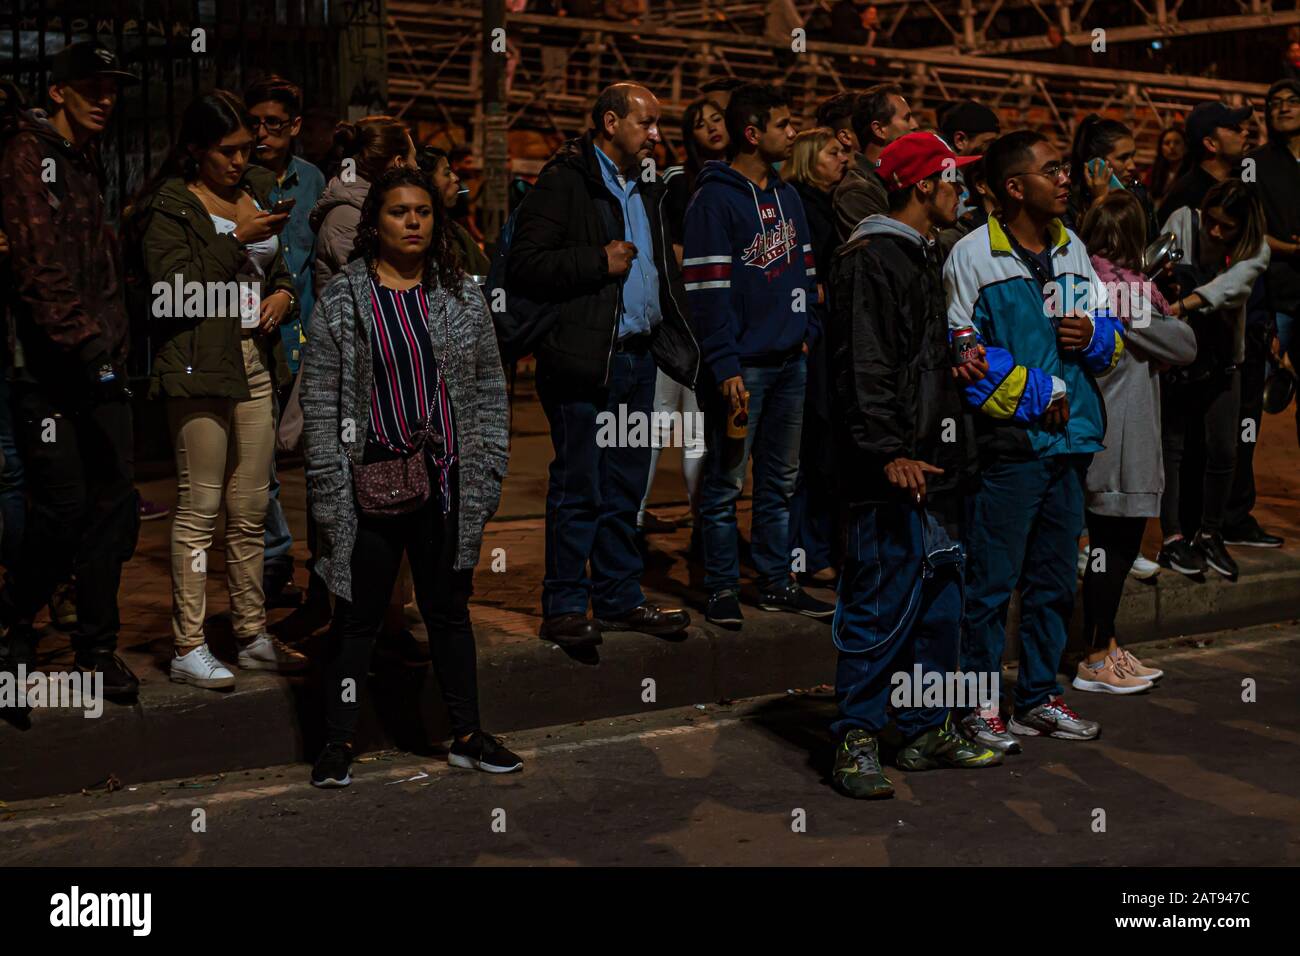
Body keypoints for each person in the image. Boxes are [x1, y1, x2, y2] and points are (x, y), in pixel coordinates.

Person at [300, 166, 520, 787]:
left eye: (423, 211)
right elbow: (320, 396)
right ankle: (337, 741)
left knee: (449, 610)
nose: (414, 221)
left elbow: (487, 387)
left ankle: (468, 734)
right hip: (368, 482)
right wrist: (325, 483)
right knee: (357, 617)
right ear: (376, 223)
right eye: (399, 212)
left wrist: (491, 465)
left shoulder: (459, 293)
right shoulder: (346, 298)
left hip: (446, 479)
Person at [826, 132, 1001, 799]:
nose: (965, 190)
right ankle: (857, 735)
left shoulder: (921, 253)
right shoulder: (871, 258)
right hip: (893, 468)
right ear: (924, 185)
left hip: (936, 462)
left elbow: (905, 358)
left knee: (940, 602)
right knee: (878, 602)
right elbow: (862, 362)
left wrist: (949, 367)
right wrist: (887, 450)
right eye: (955, 178)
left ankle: (927, 727)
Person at [946, 130, 1125, 750]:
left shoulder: (1073, 247)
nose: (1068, 178)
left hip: (1070, 446)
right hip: (1010, 448)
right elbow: (961, 354)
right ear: (1015, 187)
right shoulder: (972, 255)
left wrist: (1093, 336)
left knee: (1052, 582)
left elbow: (1109, 334)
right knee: (992, 585)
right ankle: (977, 706)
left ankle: (1039, 698)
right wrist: (1039, 392)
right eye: (1054, 170)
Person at [506, 83, 698, 648]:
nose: (656, 135)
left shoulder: (645, 185)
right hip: (586, 362)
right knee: (579, 485)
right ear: (611, 122)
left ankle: (618, 596)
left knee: (625, 486)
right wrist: (598, 261)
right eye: (647, 123)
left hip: (638, 361)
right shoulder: (566, 181)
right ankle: (564, 604)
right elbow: (526, 264)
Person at [131, 90, 308, 690]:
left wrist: (283, 295)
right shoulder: (173, 205)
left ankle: (253, 633)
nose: (239, 161)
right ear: (196, 151)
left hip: (256, 359)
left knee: (251, 507)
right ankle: (188, 642)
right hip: (199, 363)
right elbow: (170, 289)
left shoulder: (253, 189)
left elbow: (276, 266)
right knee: (199, 507)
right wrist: (234, 237)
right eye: (226, 152)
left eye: (243, 150)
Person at [0, 40, 142, 700]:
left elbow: (100, 266)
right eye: (93, 88)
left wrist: (111, 345)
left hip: (97, 360)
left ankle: (96, 646)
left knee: (113, 503)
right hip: (50, 369)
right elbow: (39, 268)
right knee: (63, 507)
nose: (106, 100)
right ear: (59, 91)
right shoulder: (28, 157)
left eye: (112, 88)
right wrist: (87, 351)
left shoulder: (86, 161)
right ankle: (15, 627)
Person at [683, 82, 835, 628]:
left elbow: (809, 274)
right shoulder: (713, 199)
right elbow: (706, 293)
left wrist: (805, 332)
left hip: (790, 362)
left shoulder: (787, 196)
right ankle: (721, 587)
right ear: (753, 133)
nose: (792, 132)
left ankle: (775, 581)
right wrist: (724, 365)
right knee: (726, 481)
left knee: (780, 481)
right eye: (784, 124)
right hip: (741, 370)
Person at [1075, 191, 1196, 694]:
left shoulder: (1087, 284)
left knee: (1110, 551)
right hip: (1119, 446)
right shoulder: (1124, 296)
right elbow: (1185, 345)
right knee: (1113, 553)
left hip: (1104, 438)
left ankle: (1108, 644)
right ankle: (1094, 656)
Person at [1155, 179, 1269, 580]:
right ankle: (1172, 539)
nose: (1216, 232)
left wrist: (1181, 305)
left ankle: (1209, 533)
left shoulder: (1256, 249)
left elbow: (1231, 288)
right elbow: (1152, 262)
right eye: (1213, 222)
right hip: (1177, 358)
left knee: (1223, 449)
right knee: (1173, 448)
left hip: (1223, 359)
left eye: (1227, 227)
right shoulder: (1183, 222)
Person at [245, 74, 327, 609]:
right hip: (261, 335)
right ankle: (275, 559)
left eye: (273, 124)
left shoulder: (315, 180)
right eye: (254, 123)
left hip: (312, 333)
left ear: (294, 127)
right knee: (260, 461)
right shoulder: (241, 180)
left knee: (321, 458)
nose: (261, 133)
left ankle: (325, 568)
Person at [637, 96, 725, 538]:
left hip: (714, 330)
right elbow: (670, 255)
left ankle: (705, 529)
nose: (711, 128)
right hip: (677, 327)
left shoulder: (743, 185)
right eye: (699, 123)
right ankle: (630, 527)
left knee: (701, 434)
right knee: (656, 426)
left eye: (717, 119)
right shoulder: (677, 181)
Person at [1233, 79, 1300, 546]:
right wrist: (1289, 248)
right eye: (1273, 105)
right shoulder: (1253, 165)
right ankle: (1236, 514)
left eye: (1291, 102)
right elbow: (1246, 228)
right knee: (1249, 412)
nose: (1282, 109)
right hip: (1273, 300)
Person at [782, 127, 849, 584]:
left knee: (824, 448)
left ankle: (815, 546)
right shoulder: (801, 205)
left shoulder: (832, 204)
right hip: (814, 337)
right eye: (832, 153)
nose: (842, 159)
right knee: (809, 448)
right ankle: (803, 551)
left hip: (829, 336)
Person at [312, 115, 417, 299]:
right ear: (399, 163)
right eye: (415, 160)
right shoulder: (348, 217)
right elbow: (375, 292)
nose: (418, 168)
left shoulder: (370, 208)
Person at [832, 83, 918, 240]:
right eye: (906, 118)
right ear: (879, 130)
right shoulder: (856, 192)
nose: (915, 125)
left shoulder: (894, 178)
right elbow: (889, 249)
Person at [1157, 101, 1251, 225]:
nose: (1245, 132)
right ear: (1211, 144)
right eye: (1234, 128)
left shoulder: (1243, 179)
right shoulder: (1185, 204)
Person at [1067, 114, 1159, 240]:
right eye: (1123, 158)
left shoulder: (1138, 194)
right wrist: (1100, 200)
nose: (1132, 166)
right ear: (1096, 162)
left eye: (1132, 156)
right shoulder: (1072, 202)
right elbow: (1088, 250)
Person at [416, 145, 491, 275]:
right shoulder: (424, 236)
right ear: (426, 181)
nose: (455, 178)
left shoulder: (452, 231)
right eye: (446, 173)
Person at [1145, 126, 1190, 207]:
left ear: (1185, 147)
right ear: (1161, 148)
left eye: (1177, 142)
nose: (1172, 147)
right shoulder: (1153, 173)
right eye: (1167, 143)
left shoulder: (1191, 175)